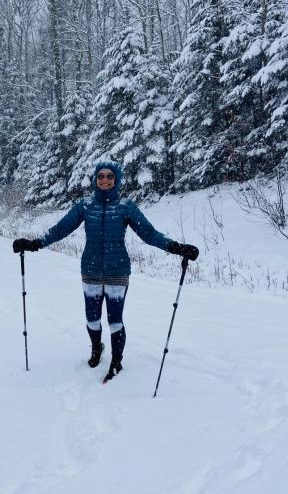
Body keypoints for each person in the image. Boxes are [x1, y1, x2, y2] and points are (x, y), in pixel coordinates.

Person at [13, 161, 199, 383]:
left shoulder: (125, 206)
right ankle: (96, 348)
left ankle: (116, 360)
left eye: (109, 176)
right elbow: (61, 228)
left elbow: (149, 233)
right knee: (92, 319)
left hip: (117, 271)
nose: (104, 179)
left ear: (116, 179)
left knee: (115, 321)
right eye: (100, 176)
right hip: (90, 270)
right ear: (95, 179)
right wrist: (36, 243)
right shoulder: (85, 205)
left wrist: (175, 247)